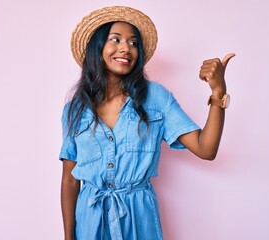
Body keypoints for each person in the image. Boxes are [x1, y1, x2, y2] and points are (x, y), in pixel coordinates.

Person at [59, 6, 235, 240]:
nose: (126, 48)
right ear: (98, 47)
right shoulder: (75, 108)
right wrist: (69, 237)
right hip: (90, 223)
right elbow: (70, 179)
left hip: (139, 219)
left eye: (133, 43)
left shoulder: (156, 98)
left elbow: (206, 148)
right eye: (116, 39)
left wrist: (218, 92)